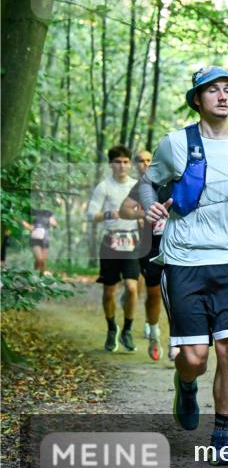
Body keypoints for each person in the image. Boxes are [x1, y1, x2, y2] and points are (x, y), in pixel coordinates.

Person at [139, 66, 228, 465]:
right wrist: (149, 203)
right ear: (197, 100)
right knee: (195, 358)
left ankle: (221, 435)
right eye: (212, 90)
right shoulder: (175, 143)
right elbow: (149, 181)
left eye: (227, 90)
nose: (222, 96)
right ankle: (185, 384)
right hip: (184, 259)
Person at [119, 149, 177, 362]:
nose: (145, 164)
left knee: (175, 295)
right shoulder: (145, 184)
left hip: (176, 246)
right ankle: (153, 334)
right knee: (154, 294)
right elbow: (124, 210)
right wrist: (144, 213)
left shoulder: (180, 181)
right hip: (150, 247)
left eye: (148, 160)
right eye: (141, 161)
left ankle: (175, 341)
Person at [86, 145, 141, 352]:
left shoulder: (137, 185)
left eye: (126, 161)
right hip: (110, 242)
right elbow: (91, 215)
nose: (122, 166)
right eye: (118, 162)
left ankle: (127, 329)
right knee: (109, 291)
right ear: (111, 165)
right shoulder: (103, 187)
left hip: (132, 242)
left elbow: (145, 211)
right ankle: (111, 328)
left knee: (131, 287)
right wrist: (109, 214)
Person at [22, 208, 57, 274]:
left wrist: (52, 221)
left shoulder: (48, 212)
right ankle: (35, 276)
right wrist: (26, 224)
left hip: (45, 239)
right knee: (39, 259)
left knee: (43, 261)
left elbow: (54, 224)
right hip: (35, 239)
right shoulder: (31, 212)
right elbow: (27, 225)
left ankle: (40, 277)